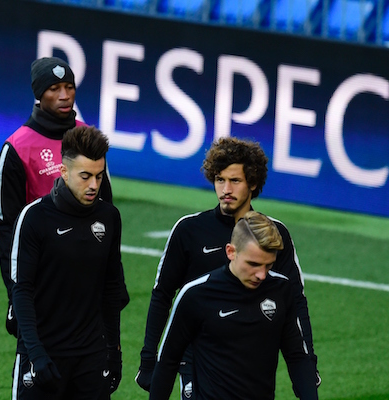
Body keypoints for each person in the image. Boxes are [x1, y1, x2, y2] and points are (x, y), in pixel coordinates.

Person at [136, 137, 319, 398]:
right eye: (220, 180)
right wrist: (148, 358)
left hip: (252, 359)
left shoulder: (274, 235)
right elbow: (162, 295)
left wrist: (308, 362)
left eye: (235, 181)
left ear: (253, 183)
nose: (225, 189)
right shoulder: (189, 230)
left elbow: (296, 301)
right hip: (197, 359)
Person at [0, 56, 114, 337]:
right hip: (43, 278)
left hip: (87, 276)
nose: (65, 96)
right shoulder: (17, 148)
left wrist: (111, 282)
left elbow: (107, 210)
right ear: (38, 95)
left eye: (69, 86)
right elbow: (7, 228)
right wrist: (15, 293)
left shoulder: (88, 136)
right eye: (54, 88)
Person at [149, 211, 319, 399]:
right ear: (231, 251)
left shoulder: (281, 290)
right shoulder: (196, 294)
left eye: (268, 265)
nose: (261, 275)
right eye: (253, 264)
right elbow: (168, 361)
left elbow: (297, 356)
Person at [10, 125, 125, 399]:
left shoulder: (109, 218)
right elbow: (22, 290)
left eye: (99, 176)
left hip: (91, 357)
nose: (94, 185)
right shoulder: (34, 218)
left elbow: (111, 290)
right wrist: (35, 352)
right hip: (43, 353)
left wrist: (114, 351)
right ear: (64, 172)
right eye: (85, 176)